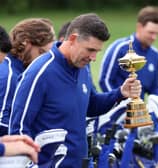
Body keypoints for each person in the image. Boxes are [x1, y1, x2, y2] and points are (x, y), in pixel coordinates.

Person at [9, 13, 141, 168]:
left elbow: (91, 105)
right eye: (90, 49)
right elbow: (18, 129)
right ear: (72, 39)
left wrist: (120, 93)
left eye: (97, 51)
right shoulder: (39, 72)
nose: (93, 57)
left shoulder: (82, 67)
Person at [98, 6, 158, 167]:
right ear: (139, 27)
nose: (154, 37)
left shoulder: (155, 55)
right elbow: (104, 80)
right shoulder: (119, 48)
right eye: (151, 32)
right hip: (115, 115)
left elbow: (154, 87)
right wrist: (122, 105)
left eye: (157, 33)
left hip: (140, 117)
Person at [0, 18, 56, 136]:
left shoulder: (23, 70)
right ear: (25, 43)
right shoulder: (10, 76)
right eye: (41, 52)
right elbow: (2, 125)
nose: (44, 60)